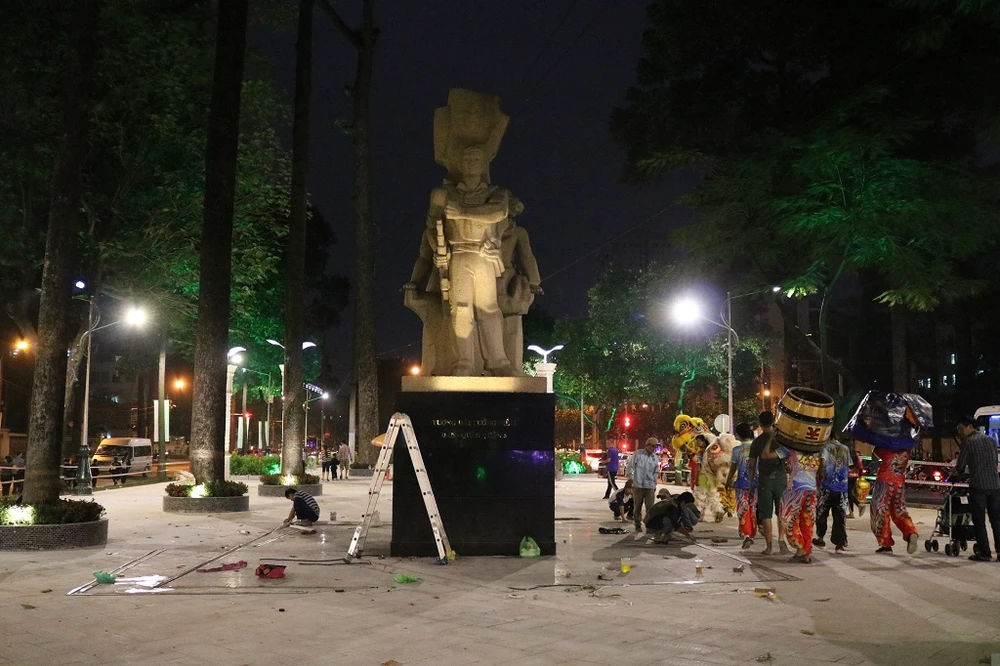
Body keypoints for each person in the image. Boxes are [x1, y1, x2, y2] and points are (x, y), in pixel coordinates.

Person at [954, 416, 1000, 562]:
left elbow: (961, 465)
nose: (960, 432)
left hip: (978, 486)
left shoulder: (968, 442)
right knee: (996, 520)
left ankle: (985, 553)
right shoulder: (990, 440)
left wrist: (959, 473)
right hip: (995, 485)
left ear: (969, 426)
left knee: (979, 521)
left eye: (961, 429)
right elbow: (994, 461)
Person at [747, 412, 790, 555]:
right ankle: (781, 540)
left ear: (760, 423)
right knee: (781, 512)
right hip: (781, 479)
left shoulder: (757, 442)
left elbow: (751, 465)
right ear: (773, 422)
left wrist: (751, 483)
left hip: (765, 480)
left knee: (766, 514)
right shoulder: (781, 440)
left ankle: (769, 546)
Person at [869, 446, 919, 554]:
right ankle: (910, 532)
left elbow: (874, 457)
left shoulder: (885, 445)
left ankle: (885, 544)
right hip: (899, 482)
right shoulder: (907, 447)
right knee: (899, 510)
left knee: (880, 512)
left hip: (884, 482)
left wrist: (876, 444)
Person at [781, 447, 824, 564]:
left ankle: (801, 549)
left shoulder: (790, 450)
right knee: (808, 521)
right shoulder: (818, 452)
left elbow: (769, 454)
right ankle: (806, 550)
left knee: (788, 519)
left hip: (796, 489)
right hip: (812, 488)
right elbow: (821, 471)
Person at [814, 438, 852, 552]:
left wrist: (820, 476)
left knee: (821, 514)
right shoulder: (846, 449)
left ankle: (820, 539)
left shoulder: (825, 447)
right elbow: (848, 465)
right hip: (842, 487)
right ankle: (839, 544)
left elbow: (822, 463)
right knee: (840, 516)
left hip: (827, 486)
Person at [726, 422, 757, 549]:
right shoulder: (757, 447)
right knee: (753, 508)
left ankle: (747, 535)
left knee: (743, 509)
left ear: (738, 435)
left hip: (741, 484)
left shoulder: (737, 450)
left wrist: (728, 480)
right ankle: (752, 534)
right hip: (756, 483)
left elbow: (733, 467)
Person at [626, 437, 660, 534]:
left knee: (650, 507)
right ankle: (637, 524)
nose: (653, 448)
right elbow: (630, 466)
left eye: (655, 447)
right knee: (637, 506)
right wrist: (631, 478)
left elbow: (656, 472)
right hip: (638, 485)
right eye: (652, 446)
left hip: (650, 486)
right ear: (647, 445)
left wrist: (654, 483)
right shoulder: (638, 454)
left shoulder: (655, 458)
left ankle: (649, 525)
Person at [847, 442, 866, 519]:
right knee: (850, 493)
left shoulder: (846, 454)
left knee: (848, 494)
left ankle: (852, 511)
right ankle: (858, 506)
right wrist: (860, 474)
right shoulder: (857, 455)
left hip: (847, 476)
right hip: (855, 476)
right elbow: (861, 466)